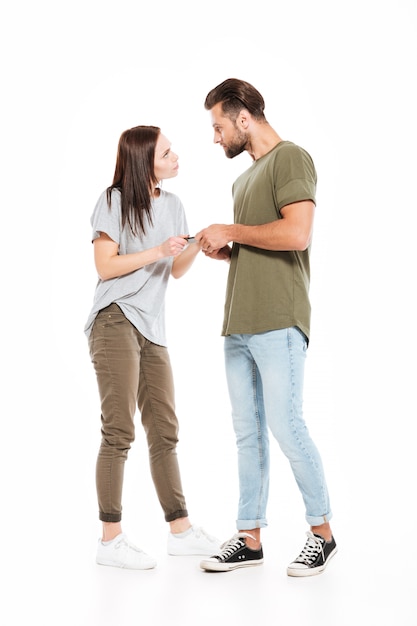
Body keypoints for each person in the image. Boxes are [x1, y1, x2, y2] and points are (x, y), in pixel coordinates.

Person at [196, 79, 337, 577]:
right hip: (239, 321)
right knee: (247, 433)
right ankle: (249, 537)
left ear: (242, 118)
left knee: (286, 424)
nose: (215, 137)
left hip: (279, 317)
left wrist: (231, 230)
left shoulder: (291, 158)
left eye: (218, 125)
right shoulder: (243, 179)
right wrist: (228, 252)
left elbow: (297, 234)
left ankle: (322, 533)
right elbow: (263, 243)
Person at [84, 125, 221, 570]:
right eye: (167, 152)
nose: (176, 155)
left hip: (153, 328)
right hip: (115, 318)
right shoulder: (113, 201)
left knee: (164, 430)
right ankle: (110, 539)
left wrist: (195, 244)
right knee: (119, 430)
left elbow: (176, 270)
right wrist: (157, 249)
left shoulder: (175, 204)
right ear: (145, 160)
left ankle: (179, 530)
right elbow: (106, 267)